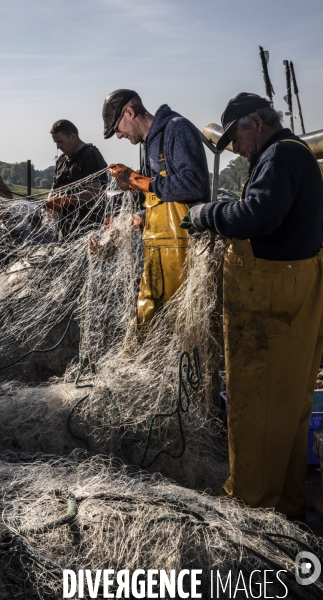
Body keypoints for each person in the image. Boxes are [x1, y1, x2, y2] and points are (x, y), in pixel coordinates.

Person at [182, 92, 323, 519]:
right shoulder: (296, 151)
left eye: (235, 138)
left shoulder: (278, 156)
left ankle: (252, 509)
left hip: (271, 300)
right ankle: (286, 502)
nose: (236, 149)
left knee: (257, 405)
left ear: (255, 124)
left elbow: (259, 214)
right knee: (289, 405)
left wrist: (207, 213)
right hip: (298, 291)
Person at [102, 89, 209, 327]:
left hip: (186, 249)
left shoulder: (177, 129)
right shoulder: (145, 144)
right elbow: (158, 199)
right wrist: (136, 219)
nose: (118, 136)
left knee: (185, 323)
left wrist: (138, 181)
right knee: (147, 319)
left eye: (117, 129)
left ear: (129, 112)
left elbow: (194, 183)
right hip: (156, 249)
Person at [45, 120, 107, 236]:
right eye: (56, 143)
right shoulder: (61, 160)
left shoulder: (90, 155)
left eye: (61, 141)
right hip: (64, 230)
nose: (58, 147)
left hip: (88, 230)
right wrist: (50, 203)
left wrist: (63, 200)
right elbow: (54, 187)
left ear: (73, 137)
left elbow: (94, 193)